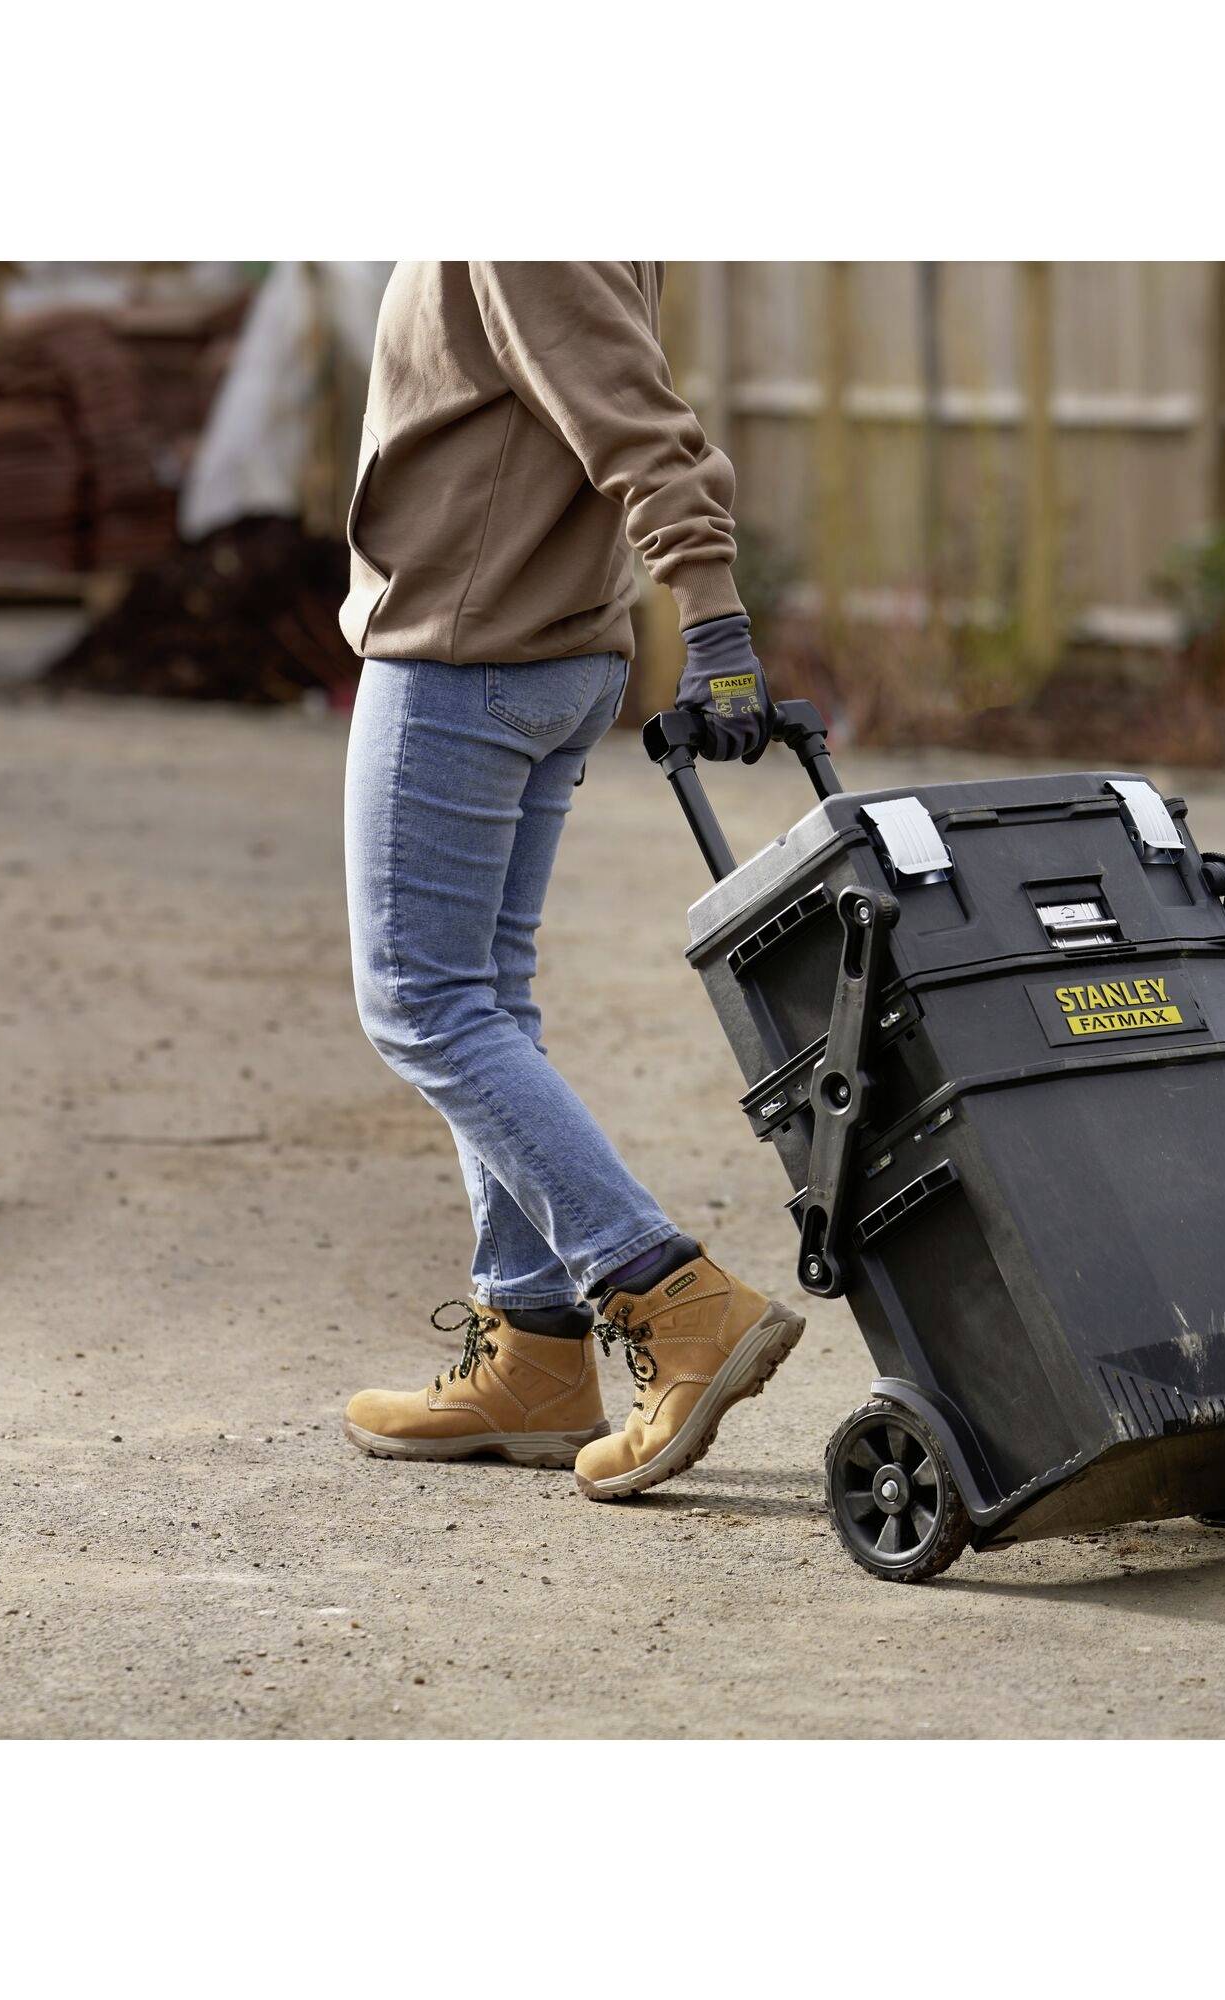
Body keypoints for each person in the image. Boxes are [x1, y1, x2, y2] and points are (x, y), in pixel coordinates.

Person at [336, 262, 803, 1498]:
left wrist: (709, 613)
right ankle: (532, 1355)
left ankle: (662, 1290)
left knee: (419, 1000)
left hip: (466, 648)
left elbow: (623, 405)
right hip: (542, 641)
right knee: (480, 993)